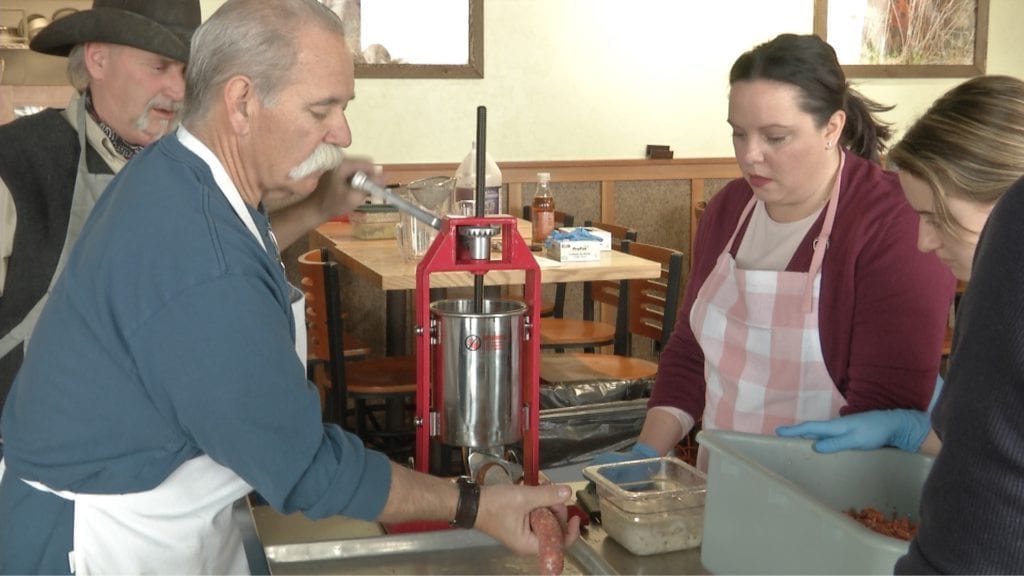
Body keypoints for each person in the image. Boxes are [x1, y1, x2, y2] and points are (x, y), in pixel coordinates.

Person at [0, 1, 578, 573]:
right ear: (242, 102)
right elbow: (304, 468)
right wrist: (476, 505)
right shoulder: (200, 254)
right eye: (321, 108)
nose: (343, 130)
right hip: (100, 543)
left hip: (164, 513)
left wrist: (318, 202)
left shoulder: (186, 176)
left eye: (343, 106)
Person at [0, 0, 378, 453]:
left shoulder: (194, 166)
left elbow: (226, 255)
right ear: (98, 58)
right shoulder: (16, 164)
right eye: (159, 67)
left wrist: (317, 206)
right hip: (47, 465)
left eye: (186, 71)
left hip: (177, 455)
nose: (178, 91)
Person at [595, 34, 955, 469]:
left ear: (833, 127)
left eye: (776, 137)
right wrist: (649, 451)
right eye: (738, 133)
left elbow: (886, 404)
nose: (750, 156)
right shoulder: (729, 209)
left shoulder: (892, 222)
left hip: (834, 497)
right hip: (724, 483)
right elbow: (691, 352)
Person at [777, 75, 1024, 464]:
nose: (924, 242)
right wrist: (914, 431)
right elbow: (984, 454)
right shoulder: (989, 302)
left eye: (939, 218)